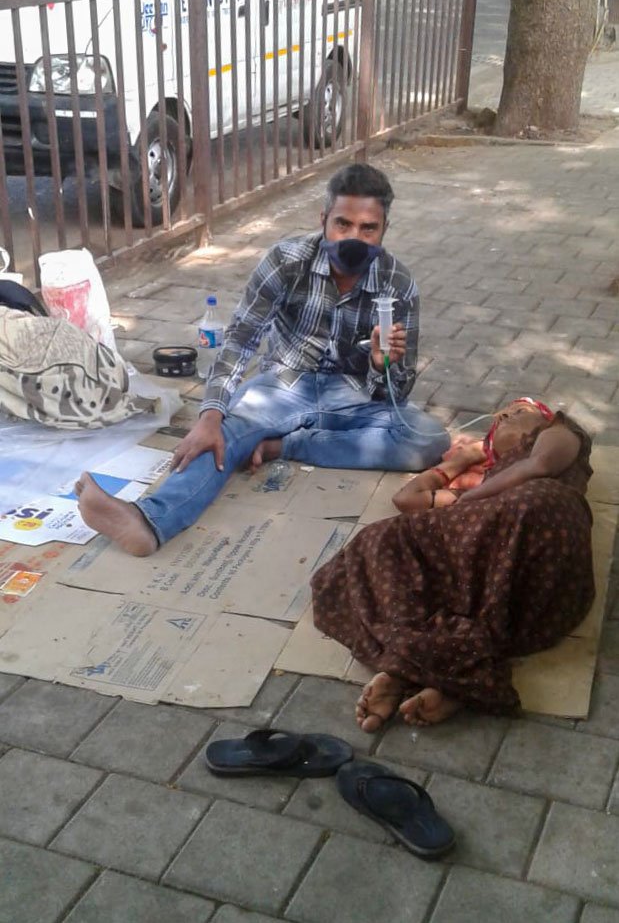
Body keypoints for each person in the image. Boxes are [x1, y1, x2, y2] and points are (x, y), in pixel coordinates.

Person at [76, 162, 449, 555]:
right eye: (342, 224)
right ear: (323, 220)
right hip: (285, 385)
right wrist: (209, 416)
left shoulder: (398, 285)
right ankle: (149, 521)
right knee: (226, 434)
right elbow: (239, 341)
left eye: (367, 229)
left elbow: (397, 392)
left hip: (352, 395)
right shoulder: (286, 262)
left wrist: (381, 364)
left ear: (384, 230)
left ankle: (284, 446)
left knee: (427, 438)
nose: (352, 237)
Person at [311, 398, 595, 730]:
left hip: (542, 515)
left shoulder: (559, 432)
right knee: (379, 541)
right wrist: (463, 460)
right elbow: (405, 500)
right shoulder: (491, 481)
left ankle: (411, 665)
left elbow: (541, 465)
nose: (504, 415)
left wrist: (472, 497)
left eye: (519, 411)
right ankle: (444, 674)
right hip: (504, 569)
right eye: (499, 418)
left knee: (385, 542)